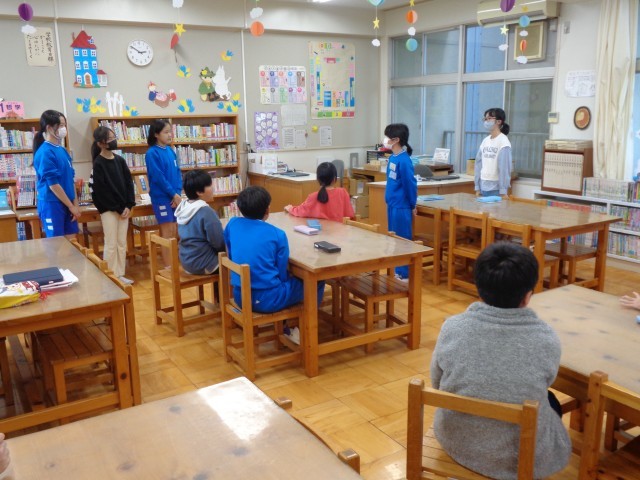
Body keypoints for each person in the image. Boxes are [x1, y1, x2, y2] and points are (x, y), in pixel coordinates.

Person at [430, 242, 571, 479]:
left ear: (479, 288)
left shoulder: (452, 327)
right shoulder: (546, 338)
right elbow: (544, 383)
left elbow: (437, 383)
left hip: (456, 440)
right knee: (550, 401)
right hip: (516, 455)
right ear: (528, 295)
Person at [224, 186, 324, 322]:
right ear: (267, 210)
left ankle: (291, 323)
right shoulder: (277, 234)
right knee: (316, 280)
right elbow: (282, 272)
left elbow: (229, 251)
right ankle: (305, 325)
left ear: (240, 208)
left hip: (239, 295)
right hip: (268, 299)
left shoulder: (232, 224)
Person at [89, 126, 136, 285]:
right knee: (111, 243)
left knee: (122, 243)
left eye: (113, 137)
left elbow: (129, 183)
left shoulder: (120, 160)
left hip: (123, 209)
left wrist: (129, 205)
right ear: (100, 143)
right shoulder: (98, 163)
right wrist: (118, 208)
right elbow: (101, 192)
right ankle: (110, 275)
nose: (113, 140)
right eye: (109, 139)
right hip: (109, 210)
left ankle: (120, 274)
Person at [33, 110, 80, 238]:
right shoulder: (45, 152)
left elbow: (71, 178)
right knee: (56, 244)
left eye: (64, 125)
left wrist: (75, 204)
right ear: (49, 128)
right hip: (52, 204)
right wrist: (71, 206)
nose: (64, 129)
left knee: (71, 242)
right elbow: (53, 184)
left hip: (68, 203)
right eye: (61, 125)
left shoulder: (62, 150)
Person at [146, 119, 182, 267]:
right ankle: (169, 267)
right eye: (166, 132)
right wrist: (173, 194)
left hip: (174, 197)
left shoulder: (170, 151)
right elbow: (158, 177)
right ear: (156, 134)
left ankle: (175, 265)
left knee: (175, 232)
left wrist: (177, 194)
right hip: (162, 198)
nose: (169, 135)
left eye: (170, 132)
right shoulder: (152, 153)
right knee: (167, 234)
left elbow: (178, 173)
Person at [383, 123, 417, 280]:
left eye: (387, 137)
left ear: (396, 140)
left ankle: (404, 273)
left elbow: (410, 184)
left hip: (402, 206)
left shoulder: (404, 160)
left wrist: (412, 204)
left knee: (403, 239)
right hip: (392, 204)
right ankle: (397, 269)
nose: (385, 140)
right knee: (393, 238)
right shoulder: (393, 157)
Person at [175, 170, 225, 275]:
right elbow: (219, 243)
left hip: (187, 261)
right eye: (210, 185)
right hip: (205, 264)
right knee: (238, 263)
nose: (213, 188)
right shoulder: (206, 212)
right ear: (199, 192)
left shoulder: (184, 207)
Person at [284, 162, 354, 222]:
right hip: (341, 231)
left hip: (321, 232)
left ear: (318, 179)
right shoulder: (343, 192)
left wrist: (290, 208)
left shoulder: (313, 197)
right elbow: (350, 215)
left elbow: (301, 211)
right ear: (334, 179)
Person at [474, 107, 512, 198]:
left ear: (499, 121)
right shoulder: (485, 141)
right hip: (483, 186)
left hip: (496, 188)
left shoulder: (503, 142)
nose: (486, 121)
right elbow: (478, 164)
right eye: (485, 119)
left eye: (489, 118)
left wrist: (503, 190)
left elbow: (504, 168)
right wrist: (477, 186)